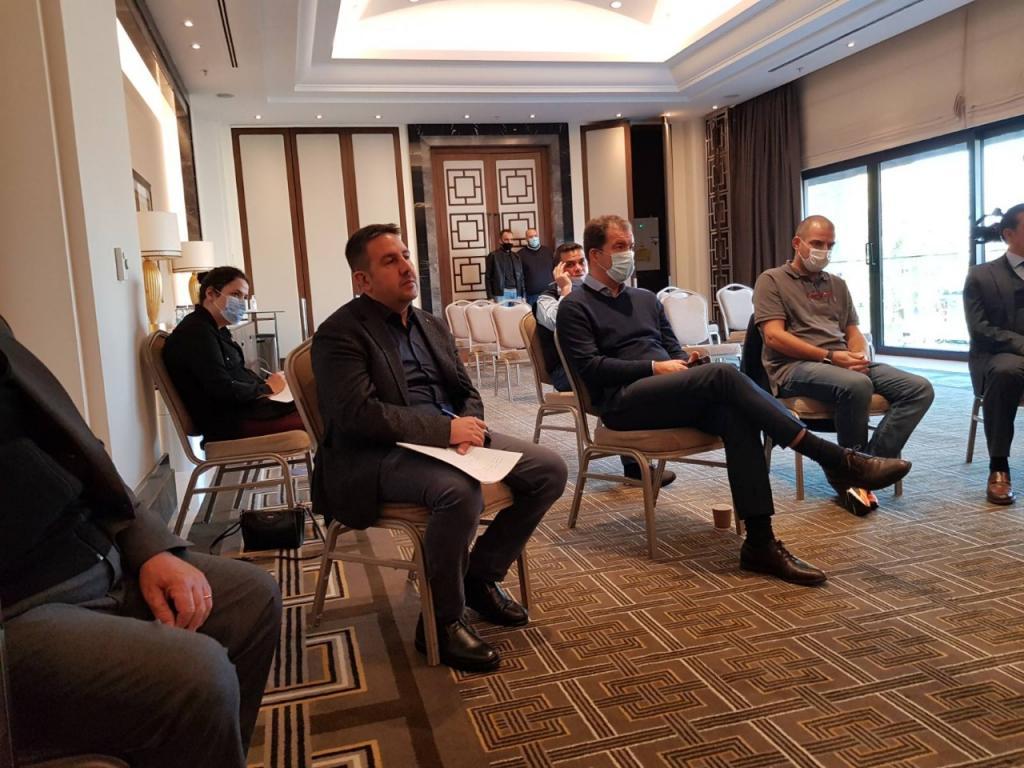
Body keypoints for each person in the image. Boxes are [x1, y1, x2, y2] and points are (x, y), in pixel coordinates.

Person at [556, 215, 912, 586]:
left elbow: (672, 347)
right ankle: (837, 458)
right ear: (595, 254)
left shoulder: (645, 299)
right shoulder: (575, 306)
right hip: (622, 402)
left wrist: (685, 362)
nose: (629, 253)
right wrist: (653, 367)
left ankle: (760, 543)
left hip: (666, 389)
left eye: (630, 245)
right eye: (619, 247)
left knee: (736, 416)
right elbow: (591, 369)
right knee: (724, 375)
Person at [1, 315, 281, 768]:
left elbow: (85, 455)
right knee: (198, 675)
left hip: (100, 554)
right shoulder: (195, 336)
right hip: (22, 607)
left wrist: (150, 547)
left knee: (253, 595)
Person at [312, 224, 567, 672]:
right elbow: (358, 415)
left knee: (549, 469)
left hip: (450, 438)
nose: (406, 267)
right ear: (362, 280)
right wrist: (443, 432)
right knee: (458, 492)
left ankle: (479, 578)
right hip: (376, 453)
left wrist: (466, 426)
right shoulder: (340, 334)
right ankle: (441, 621)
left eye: (405, 255)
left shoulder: (429, 323)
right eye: (390, 260)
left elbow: (466, 390)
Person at [754, 215, 934, 513]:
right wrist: (830, 356)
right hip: (794, 367)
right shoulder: (772, 280)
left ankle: (860, 467)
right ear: (797, 243)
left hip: (839, 362)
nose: (824, 251)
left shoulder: (837, 284)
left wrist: (858, 355)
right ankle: (854, 477)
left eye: (830, 245)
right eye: (817, 243)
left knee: (919, 389)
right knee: (857, 384)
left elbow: (853, 331)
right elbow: (773, 336)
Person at [535, 241, 676, 487]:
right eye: (569, 265)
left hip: (600, 364)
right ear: (557, 270)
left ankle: (640, 457)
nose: (578, 268)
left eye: (581, 262)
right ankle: (635, 464)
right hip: (567, 370)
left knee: (629, 369)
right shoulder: (546, 299)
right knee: (625, 376)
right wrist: (566, 289)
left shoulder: (601, 295)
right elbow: (560, 322)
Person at [163, 266, 304, 443]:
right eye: (236, 294)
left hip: (245, 411)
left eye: (244, 297)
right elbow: (222, 389)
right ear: (210, 294)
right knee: (317, 416)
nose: (241, 303)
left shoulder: (217, 329)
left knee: (312, 401)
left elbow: (236, 374)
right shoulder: (196, 333)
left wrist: (268, 384)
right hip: (230, 423)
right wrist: (266, 389)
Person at [964, 203, 1024, 505]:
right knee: (1006, 372)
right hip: (998, 354)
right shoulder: (981, 276)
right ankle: (998, 466)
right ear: (1008, 234)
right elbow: (980, 329)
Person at [484, 228, 525, 301]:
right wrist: (490, 296)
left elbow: (521, 277)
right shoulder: (493, 256)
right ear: (500, 241)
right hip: (500, 294)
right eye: (506, 239)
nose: (509, 242)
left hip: (516, 293)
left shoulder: (516, 256)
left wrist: (523, 295)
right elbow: (488, 277)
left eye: (511, 239)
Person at [518, 227, 556, 306]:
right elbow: (519, 276)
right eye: (531, 237)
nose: (534, 238)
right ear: (526, 239)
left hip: (549, 293)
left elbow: (555, 269)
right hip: (531, 295)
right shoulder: (520, 254)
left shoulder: (548, 251)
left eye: (535, 236)